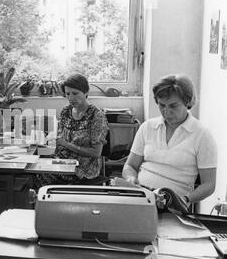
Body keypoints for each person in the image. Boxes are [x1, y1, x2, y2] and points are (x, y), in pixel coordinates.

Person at [121, 74, 217, 205]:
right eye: (162, 105)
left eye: (173, 106)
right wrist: (131, 178)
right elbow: (130, 165)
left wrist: (185, 200)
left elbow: (209, 184)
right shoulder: (147, 127)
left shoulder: (202, 135)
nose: (166, 112)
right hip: (141, 198)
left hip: (174, 204)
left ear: (187, 102)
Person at [38, 73, 109, 186]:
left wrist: (66, 144)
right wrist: (47, 142)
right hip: (63, 161)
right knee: (35, 164)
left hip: (83, 169)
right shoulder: (66, 111)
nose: (71, 98)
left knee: (36, 176)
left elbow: (96, 153)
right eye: (67, 94)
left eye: (75, 93)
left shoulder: (96, 116)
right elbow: (61, 139)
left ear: (86, 92)